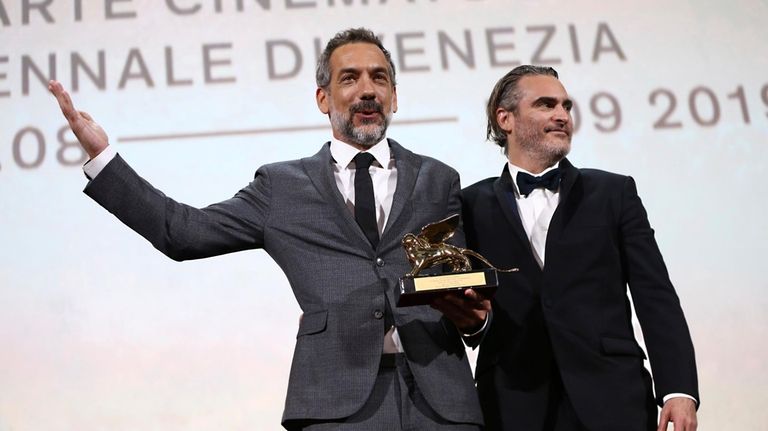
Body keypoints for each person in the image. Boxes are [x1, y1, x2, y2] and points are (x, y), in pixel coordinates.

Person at [49, 28, 489, 430]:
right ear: (323, 98)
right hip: (335, 404)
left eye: (379, 79)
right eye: (349, 78)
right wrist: (104, 158)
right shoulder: (282, 186)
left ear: (394, 97)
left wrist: (474, 323)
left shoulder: (438, 179)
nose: (367, 90)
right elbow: (181, 232)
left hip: (441, 402)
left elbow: (460, 283)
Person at [461, 65, 699, 431]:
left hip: (614, 399)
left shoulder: (614, 193)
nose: (562, 116)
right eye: (545, 104)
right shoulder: (468, 204)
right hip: (512, 403)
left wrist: (678, 389)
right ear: (505, 119)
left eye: (566, 107)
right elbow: (468, 308)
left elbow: (655, 296)